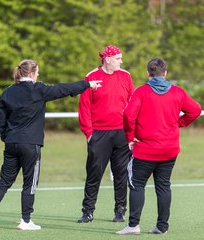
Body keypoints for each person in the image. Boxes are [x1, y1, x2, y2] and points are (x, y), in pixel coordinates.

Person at [0, 59, 102, 231]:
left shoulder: (8, 92)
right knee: (30, 183)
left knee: (4, 180)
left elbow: (1, 120)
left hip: (11, 143)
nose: (39, 75)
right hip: (30, 144)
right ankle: (26, 220)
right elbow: (63, 89)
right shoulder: (38, 89)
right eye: (37, 72)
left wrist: (6, 137)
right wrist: (87, 84)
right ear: (31, 73)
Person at [116, 57, 201, 235]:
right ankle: (162, 227)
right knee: (163, 186)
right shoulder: (178, 92)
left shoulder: (141, 92)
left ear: (148, 74)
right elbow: (195, 110)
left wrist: (130, 137)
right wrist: (179, 123)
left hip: (145, 150)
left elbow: (128, 116)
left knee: (137, 185)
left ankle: (133, 226)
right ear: (165, 73)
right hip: (169, 150)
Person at [77, 45, 135, 223]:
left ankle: (120, 211)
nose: (121, 61)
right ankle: (88, 211)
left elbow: (132, 104)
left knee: (121, 174)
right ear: (108, 59)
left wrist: (132, 133)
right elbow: (84, 108)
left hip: (121, 134)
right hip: (99, 134)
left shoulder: (125, 76)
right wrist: (89, 133)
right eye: (118, 58)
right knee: (94, 174)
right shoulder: (91, 77)